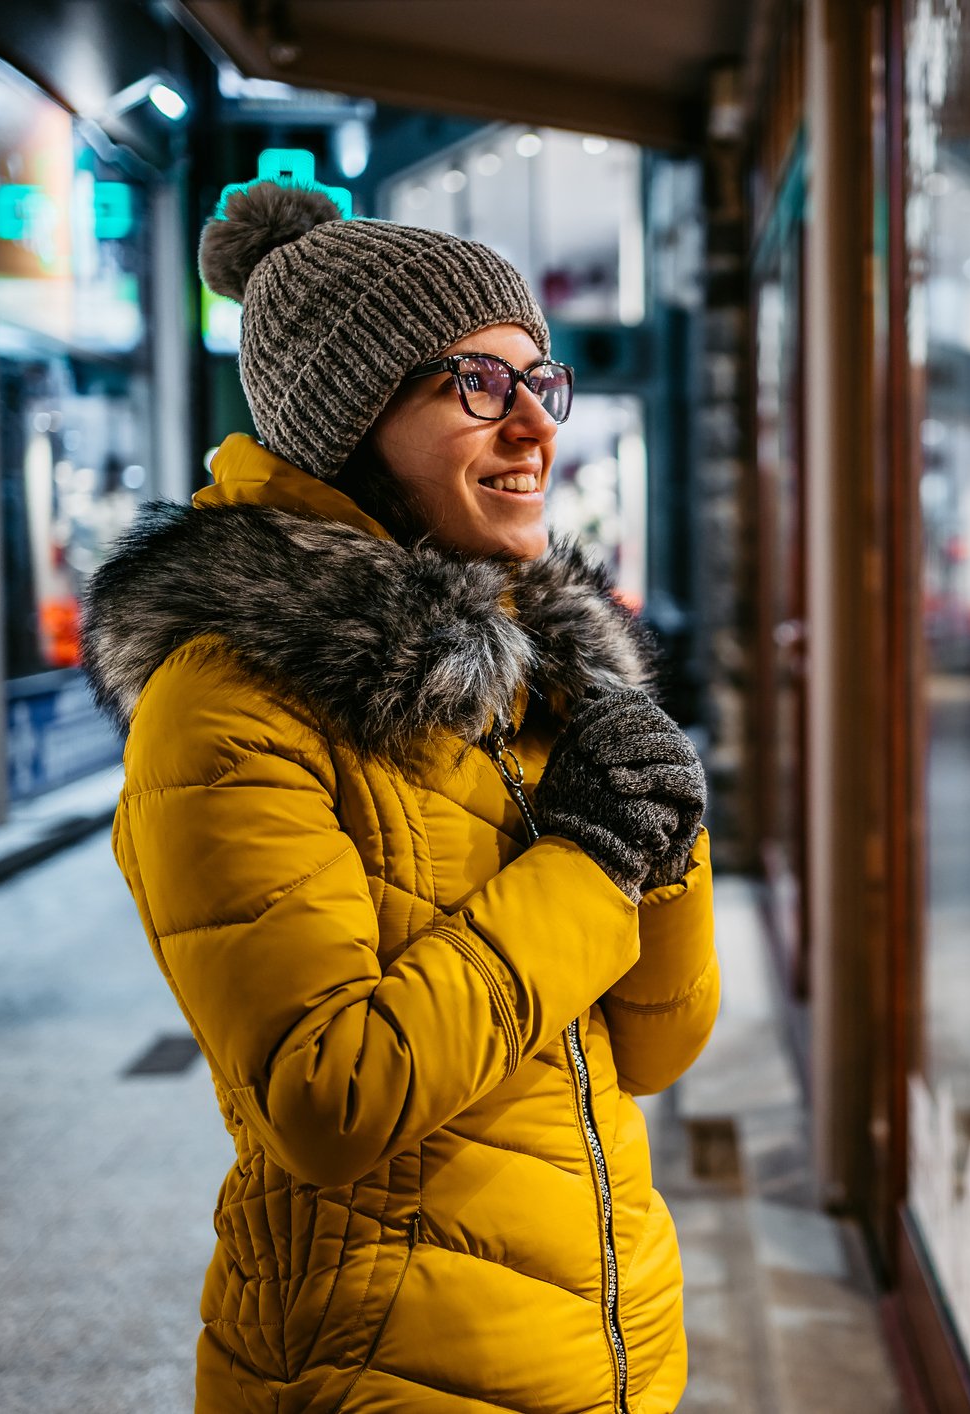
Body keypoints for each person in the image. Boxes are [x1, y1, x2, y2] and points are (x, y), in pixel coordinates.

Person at [82, 180, 718, 1414]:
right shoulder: (227, 704)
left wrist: (662, 837)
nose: (534, 423)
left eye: (541, 380)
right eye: (476, 383)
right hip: (383, 1372)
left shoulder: (533, 672)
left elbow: (655, 1044)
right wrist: (588, 862)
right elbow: (330, 1096)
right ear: (346, 420)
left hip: (605, 1348)